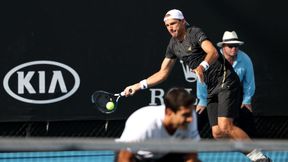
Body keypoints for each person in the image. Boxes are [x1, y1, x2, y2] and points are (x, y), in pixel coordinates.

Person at [123, 9, 271, 162]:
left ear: (182, 21)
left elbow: (212, 52)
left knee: (225, 125)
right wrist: (138, 85)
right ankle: (253, 155)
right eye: (167, 25)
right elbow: (163, 73)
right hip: (211, 88)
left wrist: (201, 67)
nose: (170, 27)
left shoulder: (194, 33)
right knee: (218, 133)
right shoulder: (173, 45)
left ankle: (259, 158)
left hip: (226, 80)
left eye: (173, 23)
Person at [196, 31, 257, 137]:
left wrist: (247, 99)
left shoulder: (245, 59)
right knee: (198, 119)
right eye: (230, 46)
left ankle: (254, 149)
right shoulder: (212, 57)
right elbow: (201, 80)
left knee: (248, 119)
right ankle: (185, 148)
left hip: (234, 95)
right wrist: (202, 100)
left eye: (236, 46)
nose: (234, 48)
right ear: (223, 46)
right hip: (213, 96)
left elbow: (249, 82)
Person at [116, 87, 201, 162]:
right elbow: (124, 158)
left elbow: (191, 156)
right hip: (138, 158)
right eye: (185, 115)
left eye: (190, 114)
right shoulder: (144, 124)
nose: (190, 119)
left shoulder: (189, 116)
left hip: (168, 154)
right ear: (169, 112)